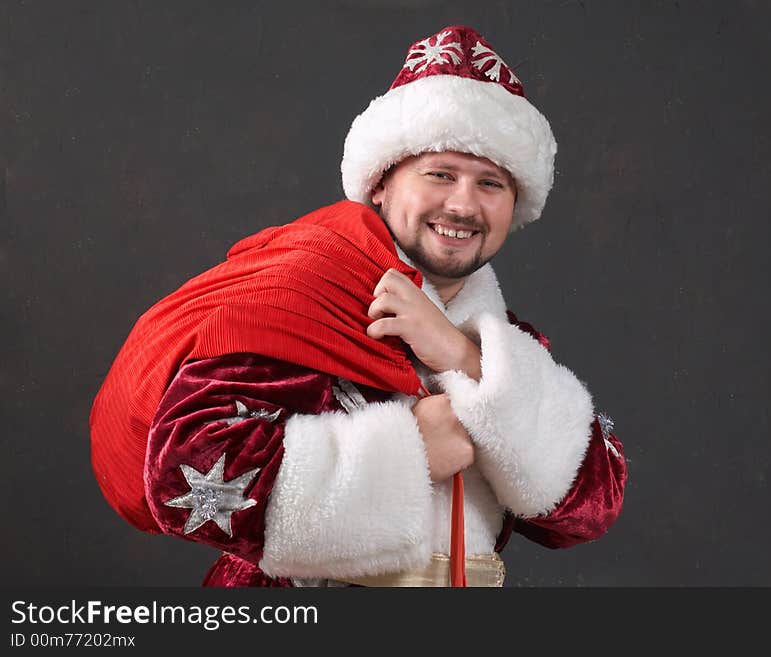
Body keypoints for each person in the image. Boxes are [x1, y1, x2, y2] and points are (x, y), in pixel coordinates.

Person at [90, 25, 627, 587]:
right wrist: (410, 455)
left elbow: (589, 507)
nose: (464, 204)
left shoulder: (500, 347)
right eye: (440, 174)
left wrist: (461, 357)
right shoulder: (307, 293)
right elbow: (184, 470)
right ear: (381, 186)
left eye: (490, 183)